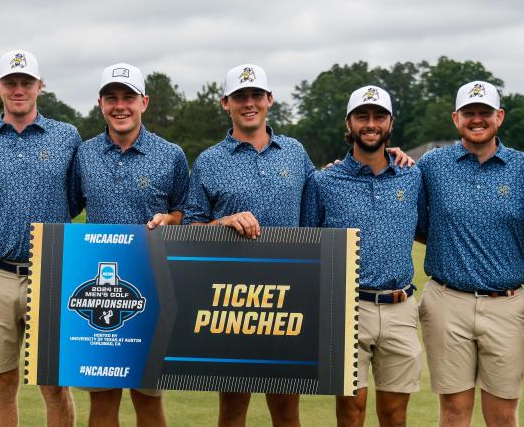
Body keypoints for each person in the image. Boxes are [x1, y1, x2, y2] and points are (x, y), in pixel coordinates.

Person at [182, 64, 315, 426]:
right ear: (226, 102)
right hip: (232, 298)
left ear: (270, 99)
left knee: (287, 412)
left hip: (288, 296)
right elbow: (190, 230)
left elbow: (316, 212)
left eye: (256, 95)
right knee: (232, 410)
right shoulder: (209, 161)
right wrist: (223, 222)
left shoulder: (295, 153)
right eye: (240, 96)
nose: (249, 103)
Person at [416, 80, 524, 426]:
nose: (477, 120)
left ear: (499, 117)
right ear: (456, 118)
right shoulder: (431, 165)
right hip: (447, 302)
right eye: (469, 113)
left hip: (507, 304)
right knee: (454, 412)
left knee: (503, 415)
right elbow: (417, 224)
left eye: (484, 113)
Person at [68, 62, 189, 426]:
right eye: (111, 98)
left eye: (128, 98)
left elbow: (187, 212)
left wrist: (170, 219)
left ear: (144, 103)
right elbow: (71, 207)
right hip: (98, 289)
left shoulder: (171, 155)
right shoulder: (84, 154)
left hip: (152, 285)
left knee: (148, 399)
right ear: (101, 104)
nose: (120, 106)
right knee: (102, 402)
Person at [0, 49, 81, 427]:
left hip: (52, 273)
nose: (19, 89)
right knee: (2, 382)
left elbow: (76, 198)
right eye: (11, 82)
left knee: (54, 383)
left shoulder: (66, 136)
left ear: (39, 87)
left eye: (26, 82)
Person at [302, 85, 424, 427]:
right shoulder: (323, 180)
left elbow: (423, 229)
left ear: (390, 123)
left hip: (400, 307)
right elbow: (310, 243)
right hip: (346, 308)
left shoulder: (411, 175)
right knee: (351, 412)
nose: (370, 124)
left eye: (378, 117)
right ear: (349, 123)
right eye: (362, 117)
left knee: (394, 415)